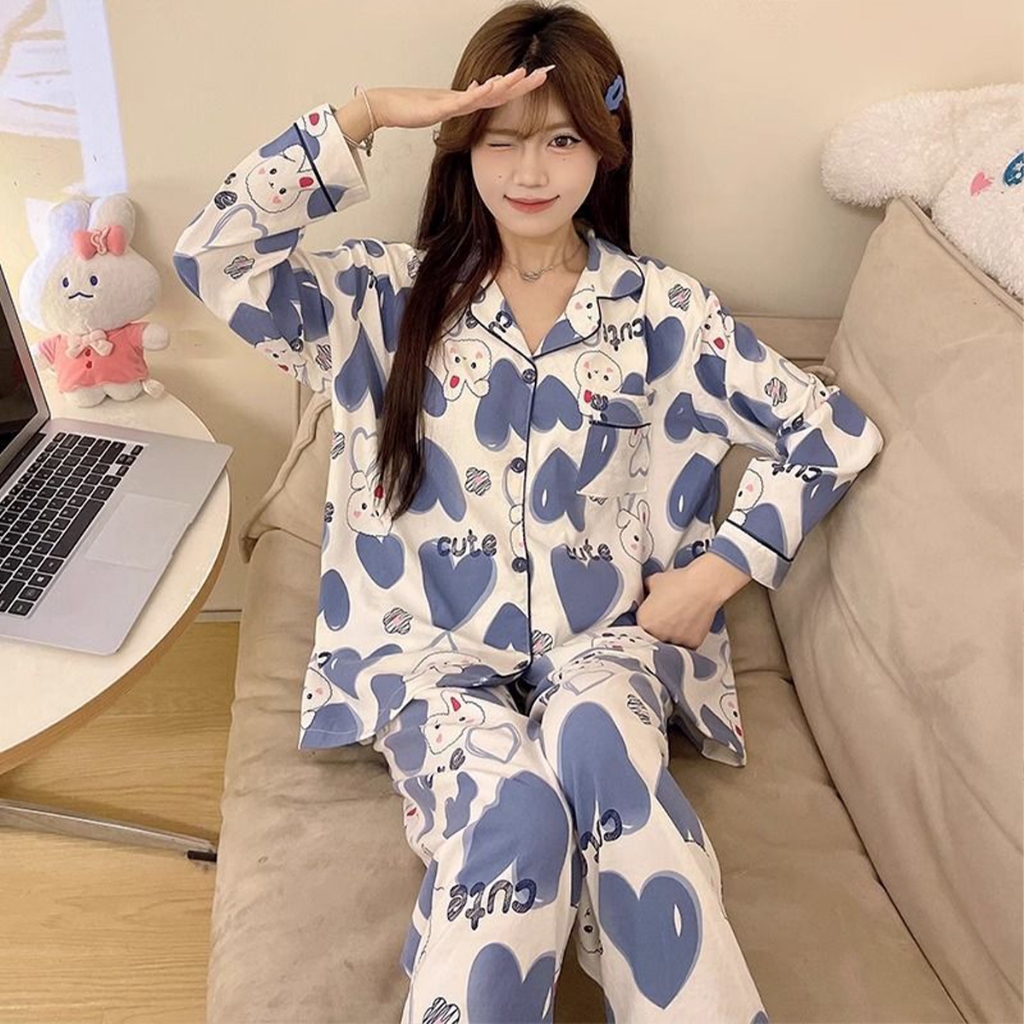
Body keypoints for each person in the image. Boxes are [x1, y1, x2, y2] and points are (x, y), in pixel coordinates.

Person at [173, 3, 883, 1019]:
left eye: (560, 139)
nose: (531, 171)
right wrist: (370, 114)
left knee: (609, 768)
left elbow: (831, 431)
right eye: (500, 140)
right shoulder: (383, 299)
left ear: (605, 145)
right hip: (428, 655)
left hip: (608, 645)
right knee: (513, 817)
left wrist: (715, 575)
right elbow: (213, 257)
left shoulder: (663, 313)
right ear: (463, 145)